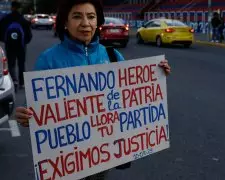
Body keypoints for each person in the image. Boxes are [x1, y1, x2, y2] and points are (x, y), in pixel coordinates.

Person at [14, 0, 171, 179]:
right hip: (65, 161)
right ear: (65, 22)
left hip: (101, 156)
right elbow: (34, 109)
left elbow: (131, 95)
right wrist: (24, 115)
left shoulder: (112, 55)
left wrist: (156, 75)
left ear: (97, 21)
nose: (85, 23)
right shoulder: (48, 60)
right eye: (77, 16)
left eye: (91, 17)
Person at [0, 1, 32, 89]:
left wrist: (5, 40)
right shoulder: (23, 20)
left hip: (9, 45)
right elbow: (29, 35)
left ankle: (14, 81)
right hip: (21, 46)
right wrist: (24, 41)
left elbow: (1, 31)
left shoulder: (6, 19)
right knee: (21, 64)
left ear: (12, 7)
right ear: (19, 8)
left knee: (11, 64)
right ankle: (22, 82)